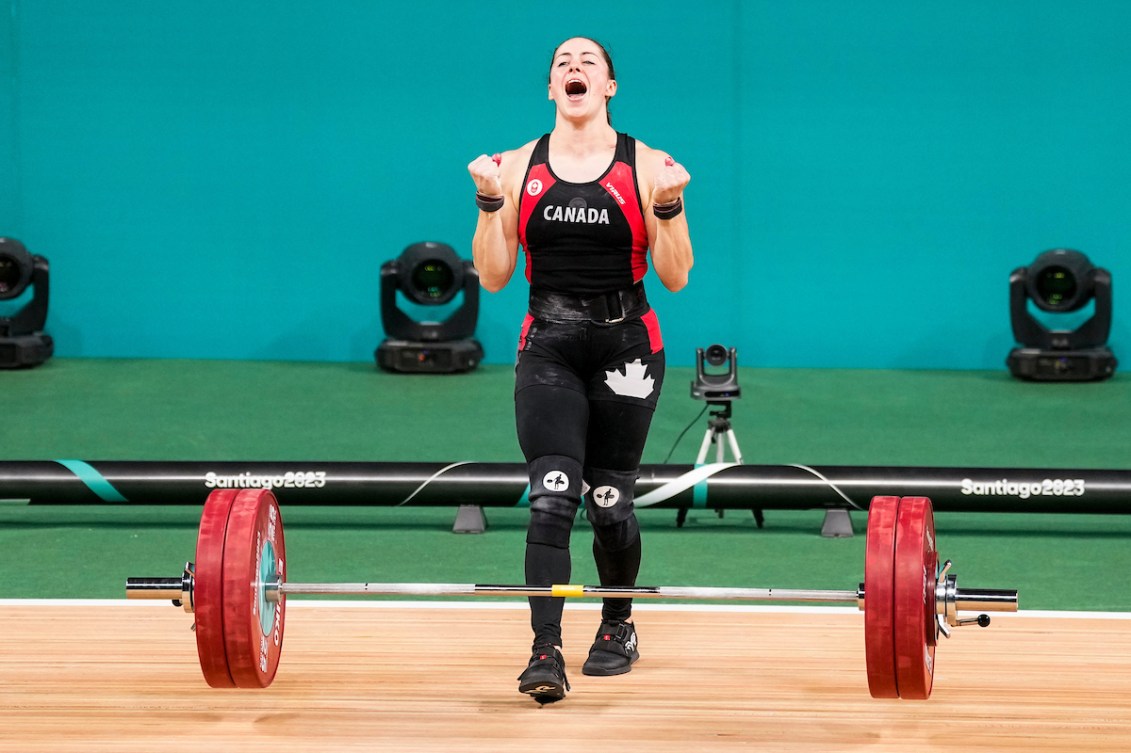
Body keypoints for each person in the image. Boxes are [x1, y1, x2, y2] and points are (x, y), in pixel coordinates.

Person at [467, 36, 693, 704]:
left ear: (609, 87)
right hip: (550, 343)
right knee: (553, 491)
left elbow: (676, 277)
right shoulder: (514, 167)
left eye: (587, 62)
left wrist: (670, 206)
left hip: (627, 345)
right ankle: (544, 649)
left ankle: (617, 622)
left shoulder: (648, 164)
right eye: (562, 63)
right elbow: (494, 273)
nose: (574, 68)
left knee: (609, 501)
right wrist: (485, 202)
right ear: (550, 89)